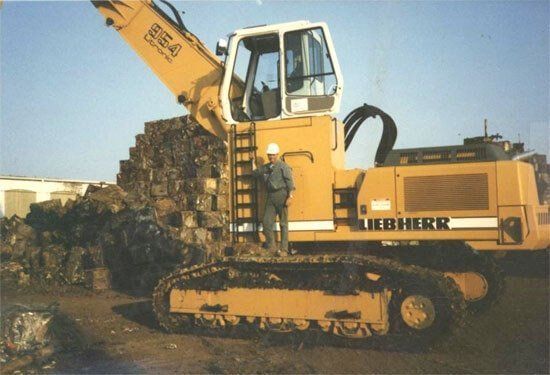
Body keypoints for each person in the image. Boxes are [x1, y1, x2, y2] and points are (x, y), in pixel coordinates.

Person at [252, 143, 295, 255]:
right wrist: (252, 161)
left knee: (283, 224)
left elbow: (290, 183)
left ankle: (284, 249)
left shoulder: (283, 166)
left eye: (273, 155)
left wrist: (290, 197)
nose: (271, 157)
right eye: (269, 155)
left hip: (282, 195)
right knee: (266, 223)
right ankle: (273, 248)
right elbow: (255, 173)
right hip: (271, 197)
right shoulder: (266, 167)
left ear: (277, 154)